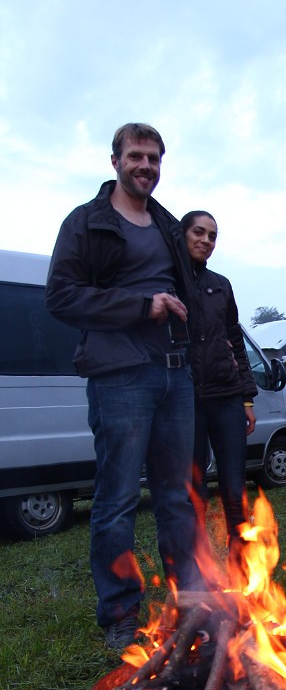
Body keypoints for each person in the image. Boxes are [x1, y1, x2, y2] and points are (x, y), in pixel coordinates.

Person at [46, 123, 204, 649]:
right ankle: (120, 612)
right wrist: (143, 306)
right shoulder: (87, 223)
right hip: (119, 377)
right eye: (136, 156)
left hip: (174, 372)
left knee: (178, 496)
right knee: (115, 500)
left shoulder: (165, 222)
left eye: (155, 158)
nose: (146, 166)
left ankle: (191, 602)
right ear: (114, 160)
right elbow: (62, 297)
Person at [180, 210, 257, 564]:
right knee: (193, 491)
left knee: (234, 487)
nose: (206, 241)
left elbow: (234, 340)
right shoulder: (169, 281)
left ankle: (241, 567)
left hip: (226, 397)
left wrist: (247, 397)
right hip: (186, 399)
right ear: (182, 235)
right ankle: (198, 572)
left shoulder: (221, 285)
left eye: (212, 236)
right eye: (199, 232)